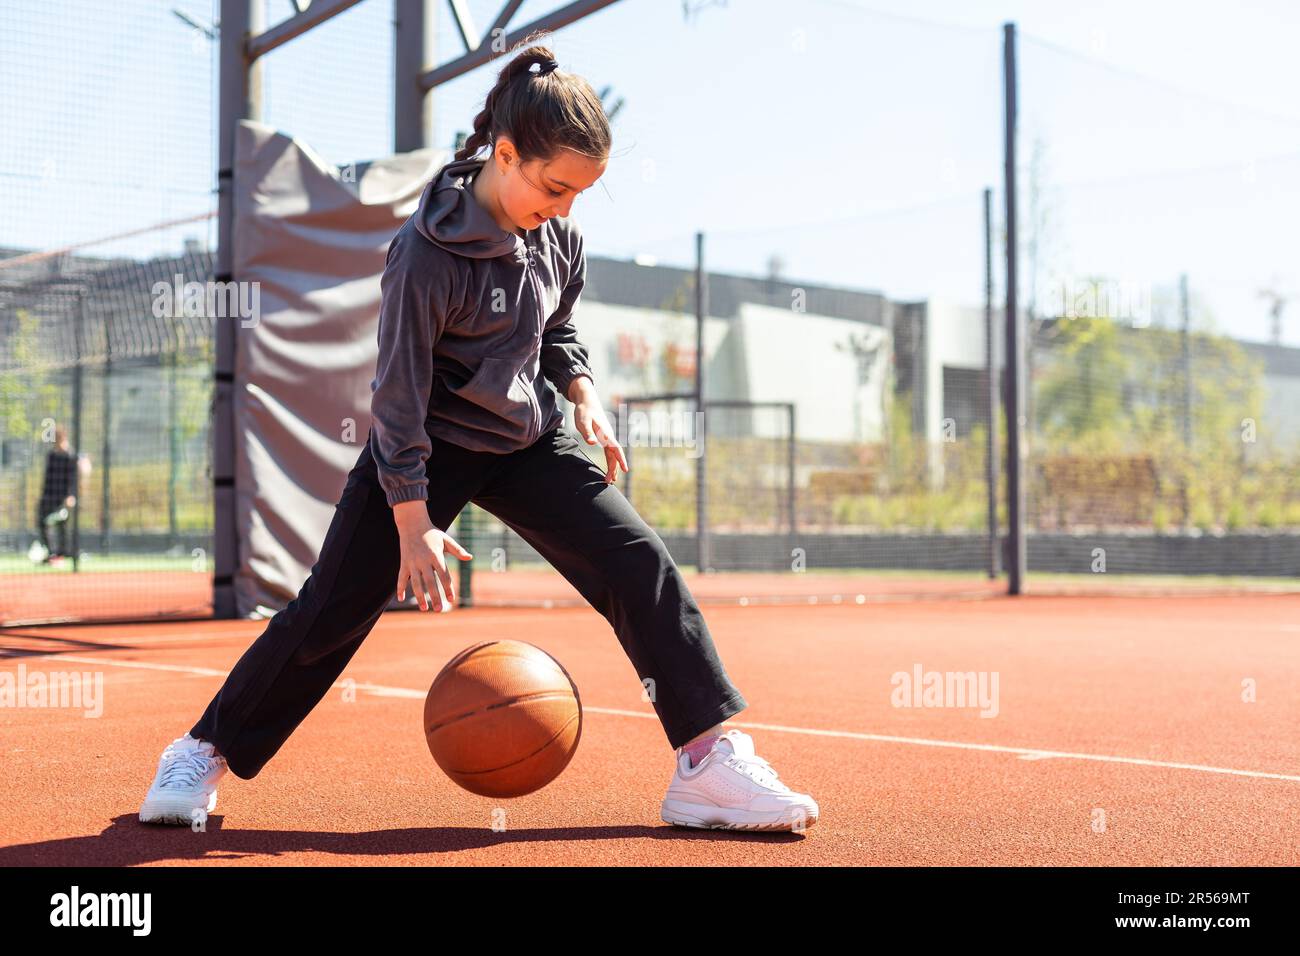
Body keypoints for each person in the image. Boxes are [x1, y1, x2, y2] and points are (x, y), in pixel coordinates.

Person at [139, 44, 818, 832]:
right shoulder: (427, 252)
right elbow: (397, 395)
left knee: (637, 562)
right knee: (333, 608)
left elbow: (557, 327)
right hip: (426, 441)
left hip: (528, 439)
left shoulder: (557, 236)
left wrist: (583, 395)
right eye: (554, 186)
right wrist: (410, 521)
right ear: (505, 155)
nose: (563, 207)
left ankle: (707, 764)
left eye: (579, 194)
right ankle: (202, 750)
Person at [36, 425, 89, 565]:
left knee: (63, 525)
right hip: (48, 496)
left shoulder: (70, 456)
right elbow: (47, 478)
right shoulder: (51, 456)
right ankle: (52, 553)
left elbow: (73, 478)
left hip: (63, 497)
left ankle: (64, 553)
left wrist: (71, 495)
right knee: (43, 522)